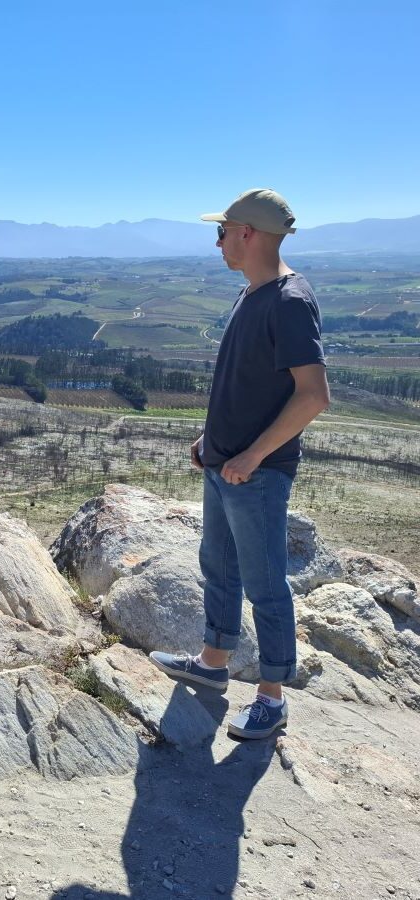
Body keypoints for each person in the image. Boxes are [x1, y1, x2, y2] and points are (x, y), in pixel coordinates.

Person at [149, 188, 330, 739]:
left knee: (265, 583)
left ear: (247, 234)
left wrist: (254, 454)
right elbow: (249, 383)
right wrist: (214, 438)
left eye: (222, 232)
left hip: (256, 472)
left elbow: (313, 395)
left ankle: (272, 699)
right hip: (225, 464)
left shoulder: (289, 301)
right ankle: (212, 664)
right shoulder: (256, 293)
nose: (219, 242)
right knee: (219, 569)